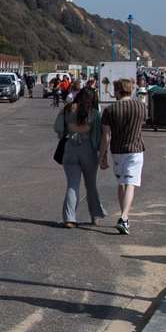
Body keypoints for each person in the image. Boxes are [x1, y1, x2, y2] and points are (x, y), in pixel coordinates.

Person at [99, 78, 146, 234]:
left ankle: (124, 217)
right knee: (130, 183)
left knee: (121, 183)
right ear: (130, 90)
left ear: (118, 91)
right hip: (135, 149)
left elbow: (106, 136)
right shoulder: (141, 106)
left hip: (117, 150)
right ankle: (124, 217)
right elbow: (142, 125)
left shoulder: (109, 110)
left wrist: (102, 155)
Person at [55, 87, 105, 228]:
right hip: (88, 149)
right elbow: (97, 136)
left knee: (72, 185)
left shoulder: (67, 109)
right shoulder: (94, 114)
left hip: (70, 148)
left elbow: (58, 128)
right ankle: (95, 215)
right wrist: (101, 154)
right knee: (91, 185)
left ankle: (69, 218)